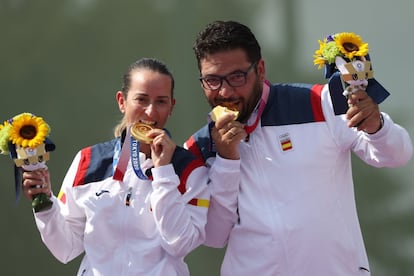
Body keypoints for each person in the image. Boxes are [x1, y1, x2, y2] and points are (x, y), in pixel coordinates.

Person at [184, 20, 413, 276]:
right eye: (212, 80)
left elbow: (397, 155)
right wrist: (226, 161)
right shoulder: (199, 147)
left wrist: (377, 126)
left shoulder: (319, 102)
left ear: (260, 69)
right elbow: (214, 236)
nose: (225, 91)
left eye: (237, 77)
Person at [22, 58, 210, 276]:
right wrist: (44, 205)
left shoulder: (190, 169)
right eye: (141, 99)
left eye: (160, 102)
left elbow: (180, 244)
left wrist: (164, 173)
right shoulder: (87, 161)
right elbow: (66, 248)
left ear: (171, 107)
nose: (150, 112)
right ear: (122, 101)